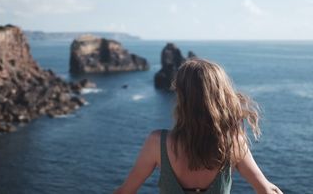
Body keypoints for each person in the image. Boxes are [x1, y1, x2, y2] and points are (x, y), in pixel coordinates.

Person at [114, 58, 283, 194]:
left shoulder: (157, 143)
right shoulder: (233, 143)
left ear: (181, 96)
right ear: (221, 95)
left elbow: (126, 191)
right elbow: (266, 190)